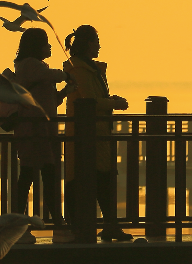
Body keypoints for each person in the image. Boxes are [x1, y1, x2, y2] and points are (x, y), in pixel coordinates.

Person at [62, 25, 131, 242]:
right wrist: (114, 103)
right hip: (84, 136)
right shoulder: (79, 70)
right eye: (96, 41)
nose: (99, 45)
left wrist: (110, 101)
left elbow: (95, 98)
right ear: (88, 44)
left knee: (105, 179)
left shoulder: (92, 69)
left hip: (99, 134)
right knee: (81, 181)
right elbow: (89, 101)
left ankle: (108, 225)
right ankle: (78, 228)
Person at [5, 28, 69, 239]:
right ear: (36, 46)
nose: (49, 46)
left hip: (42, 130)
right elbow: (52, 75)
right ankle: (54, 223)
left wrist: (64, 93)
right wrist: (67, 75)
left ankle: (26, 223)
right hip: (33, 130)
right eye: (46, 43)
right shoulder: (30, 65)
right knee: (37, 176)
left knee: (33, 175)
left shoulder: (36, 67)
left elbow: (50, 102)